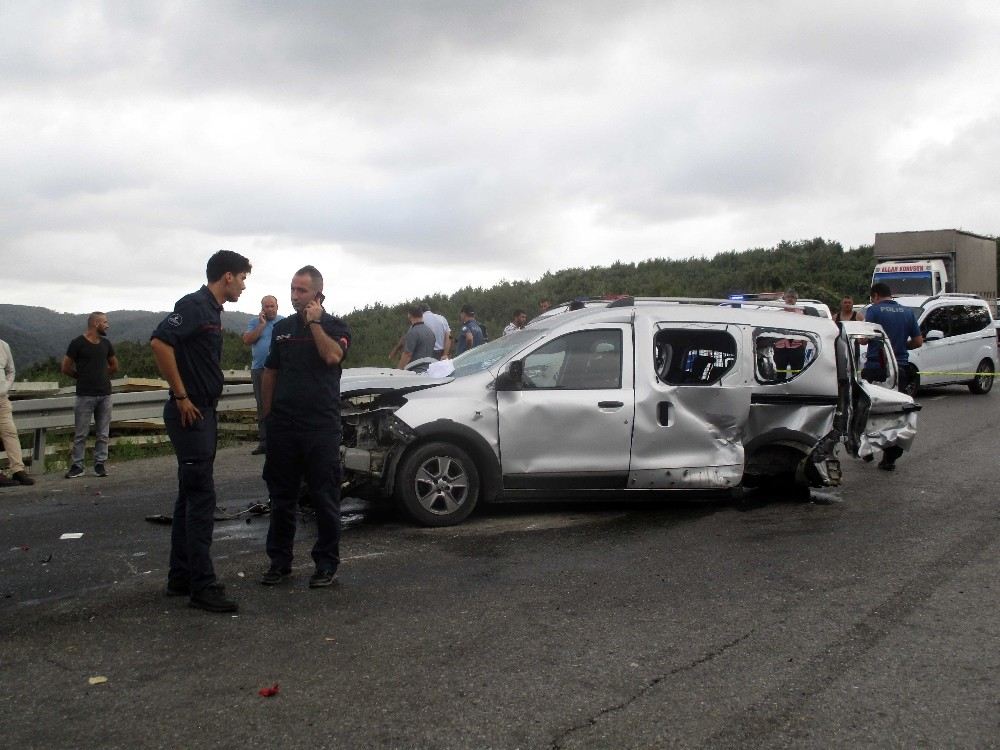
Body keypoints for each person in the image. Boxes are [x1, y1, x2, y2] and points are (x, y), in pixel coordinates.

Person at [150, 250, 251, 613]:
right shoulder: (194, 305)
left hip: (204, 411)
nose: (243, 285)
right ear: (227, 277)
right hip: (191, 414)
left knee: (188, 497)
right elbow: (160, 342)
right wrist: (181, 395)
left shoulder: (212, 311)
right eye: (242, 278)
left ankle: (181, 577)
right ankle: (202, 587)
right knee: (201, 498)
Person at [260, 265, 351, 590]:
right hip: (284, 425)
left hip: (320, 426)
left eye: (302, 291)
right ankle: (279, 562)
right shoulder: (281, 328)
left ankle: (326, 565)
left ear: (318, 295)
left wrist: (314, 323)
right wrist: (267, 416)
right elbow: (271, 371)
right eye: (293, 289)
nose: (294, 296)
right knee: (281, 497)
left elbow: (332, 357)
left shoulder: (334, 326)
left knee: (324, 496)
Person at [863, 282, 923, 471]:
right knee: (897, 412)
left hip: (876, 367)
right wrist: (903, 347)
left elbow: (864, 338)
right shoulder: (907, 312)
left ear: (875, 295)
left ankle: (867, 447)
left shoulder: (873, 310)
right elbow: (918, 341)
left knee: (868, 409)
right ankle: (890, 457)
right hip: (901, 368)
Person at [62, 312, 119, 478]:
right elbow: (65, 367)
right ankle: (77, 465)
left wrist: (101, 374)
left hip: (105, 394)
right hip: (84, 395)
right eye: (105, 322)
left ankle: (99, 464)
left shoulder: (106, 344)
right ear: (95, 323)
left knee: (103, 432)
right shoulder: (77, 343)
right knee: (81, 433)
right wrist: (82, 377)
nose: (107, 325)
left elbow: (114, 365)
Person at [242, 295, 284, 455]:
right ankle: (264, 442)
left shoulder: (283, 321)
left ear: (277, 306)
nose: (270, 309)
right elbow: (247, 340)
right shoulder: (255, 322)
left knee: (280, 405)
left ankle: (280, 441)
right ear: (262, 308)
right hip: (259, 370)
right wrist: (261, 325)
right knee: (262, 405)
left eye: (272, 306)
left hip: (280, 369)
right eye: (267, 306)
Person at [0, 339, 34, 487]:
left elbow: (11, 371)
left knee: (10, 432)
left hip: (2, 399)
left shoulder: (3, 345)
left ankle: (18, 470)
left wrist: (6, 387)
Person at [772, 290, 806, 381]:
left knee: (797, 374)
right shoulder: (778, 314)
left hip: (797, 347)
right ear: (784, 298)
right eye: (788, 297)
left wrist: (803, 344)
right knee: (780, 374)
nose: (790, 299)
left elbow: (806, 329)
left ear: (796, 299)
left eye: (793, 297)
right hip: (781, 347)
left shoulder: (802, 314)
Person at [398, 305, 436, 370]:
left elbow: (407, 354)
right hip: (428, 370)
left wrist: (398, 370)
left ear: (409, 315)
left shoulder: (413, 332)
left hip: (415, 372)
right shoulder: (430, 332)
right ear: (422, 315)